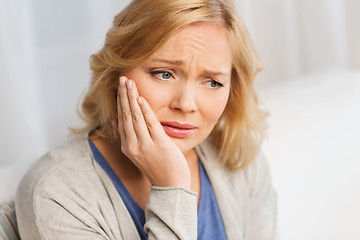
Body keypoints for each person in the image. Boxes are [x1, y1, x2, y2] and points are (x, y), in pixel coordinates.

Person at [15, 0, 277, 239]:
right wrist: (171, 187)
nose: (186, 104)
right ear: (116, 73)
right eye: (164, 74)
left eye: (212, 82)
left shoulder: (240, 161)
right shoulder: (57, 193)